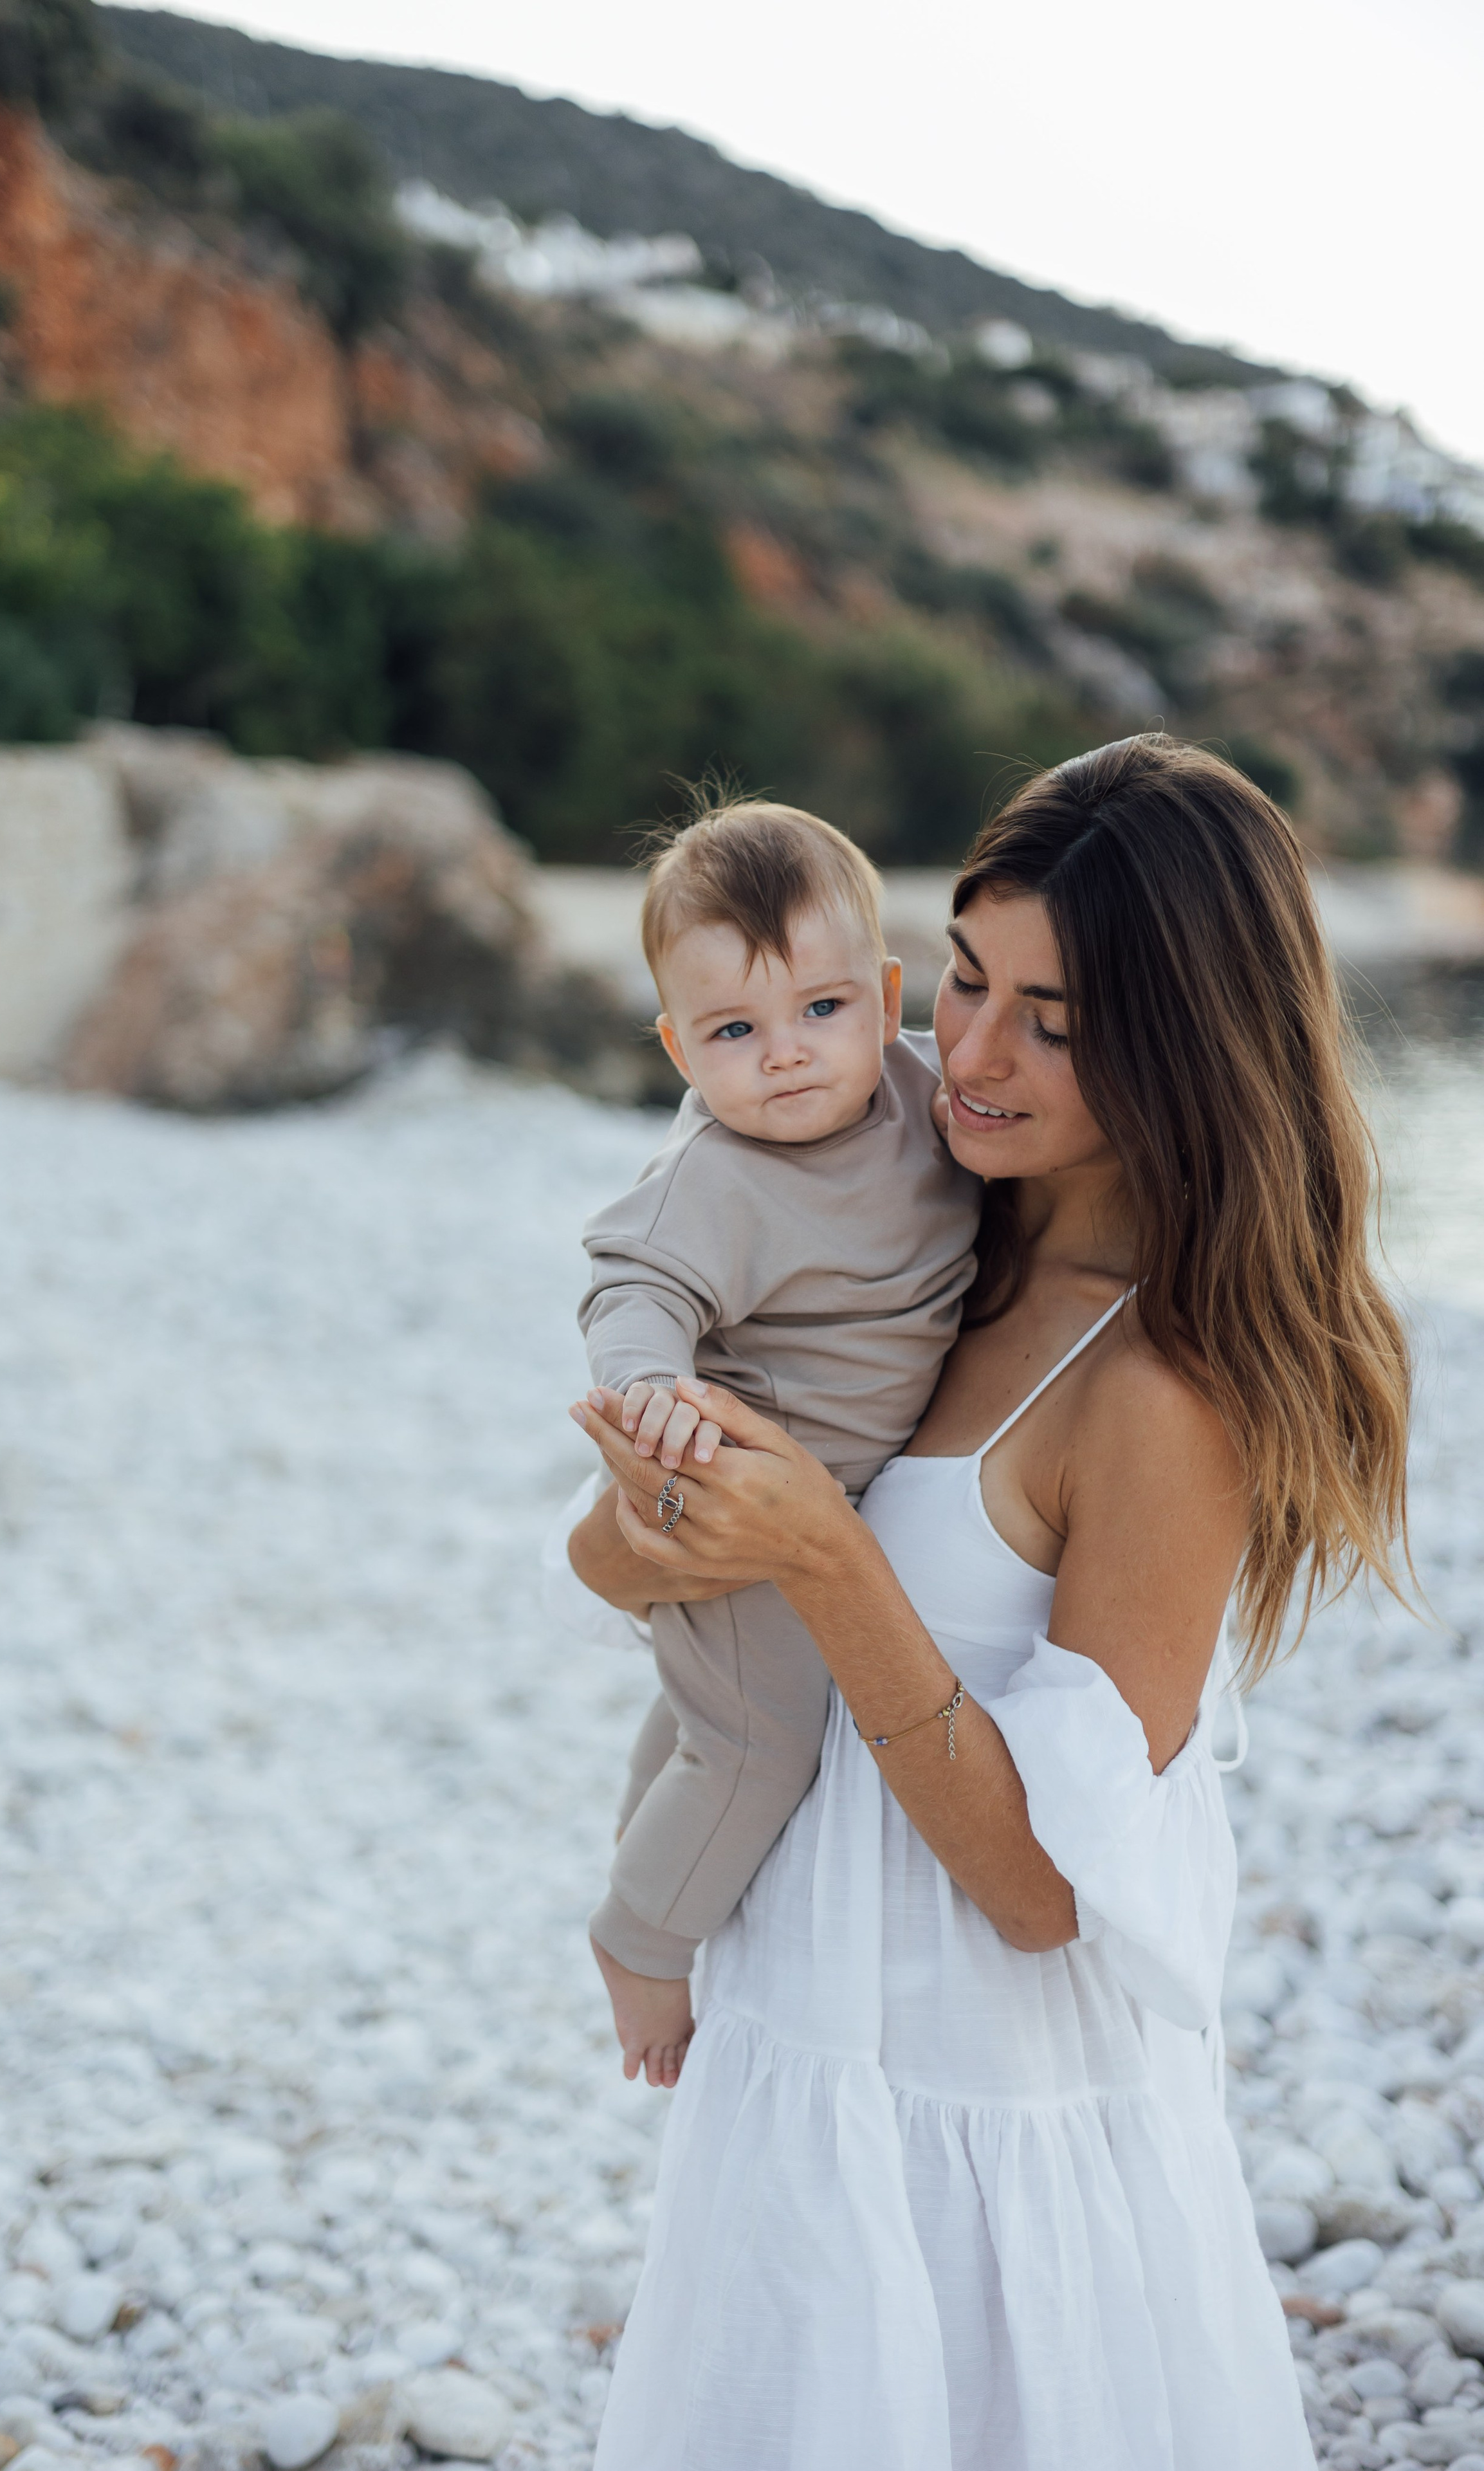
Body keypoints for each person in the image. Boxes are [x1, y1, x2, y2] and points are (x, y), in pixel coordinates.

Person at [558, 735, 1411, 2470]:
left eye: (1061, 1019)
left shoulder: (1163, 1393)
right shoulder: (923, 1227)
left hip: (985, 2130)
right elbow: (606, 1558)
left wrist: (819, 1552)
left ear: (1183, 1046)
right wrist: (663, 1501)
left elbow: (1038, 1889)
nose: (979, 1053)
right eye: (964, 979)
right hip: (802, 2054)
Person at [578, 798, 978, 2088]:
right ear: (674, 1046)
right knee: (761, 1738)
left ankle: (647, 1837)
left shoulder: (928, 1096)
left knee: (709, 1710)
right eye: (733, 1032)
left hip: (828, 1500)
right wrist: (646, 1387)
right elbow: (629, 1288)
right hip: (742, 1504)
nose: (787, 1056)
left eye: (821, 1009)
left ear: (887, 993)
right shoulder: (714, 1178)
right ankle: (640, 1940)